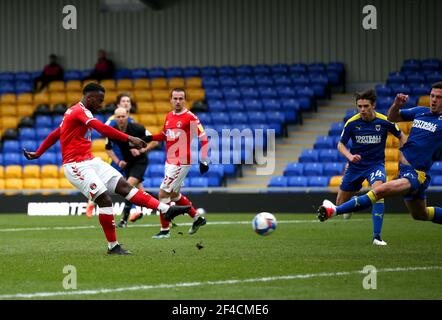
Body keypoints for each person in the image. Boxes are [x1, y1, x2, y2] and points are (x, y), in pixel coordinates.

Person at [23, 83, 190, 255]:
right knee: (105, 200)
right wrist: (129, 138)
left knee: (125, 187)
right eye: (99, 100)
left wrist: (38, 153)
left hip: (90, 161)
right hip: (75, 165)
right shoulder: (79, 111)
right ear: (89, 97)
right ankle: (113, 246)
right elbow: (101, 128)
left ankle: (167, 210)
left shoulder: (74, 111)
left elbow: (56, 133)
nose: (101, 104)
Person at [318, 82, 442, 233]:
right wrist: (396, 104)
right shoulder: (421, 111)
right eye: (432, 96)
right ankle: (341, 207)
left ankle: (334, 210)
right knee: (420, 214)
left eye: (439, 97)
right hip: (403, 170)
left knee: (379, 191)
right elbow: (392, 117)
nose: (434, 100)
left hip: (417, 174)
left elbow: (394, 129)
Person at [334, 89, 407, 245]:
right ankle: (353, 203)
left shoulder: (384, 120)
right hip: (355, 166)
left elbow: (401, 135)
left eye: (365, 106)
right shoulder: (352, 122)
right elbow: (340, 144)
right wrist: (350, 157)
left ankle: (377, 236)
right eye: (359, 106)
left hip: (375, 165)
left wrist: (402, 154)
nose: (362, 110)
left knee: (378, 191)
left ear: (373, 105)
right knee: (340, 205)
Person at [145, 88, 209, 239]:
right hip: (170, 161)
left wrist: (204, 159)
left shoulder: (190, 117)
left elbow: (204, 137)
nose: (178, 101)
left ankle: (164, 230)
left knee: (162, 194)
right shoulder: (169, 116)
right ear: (170, 100)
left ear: (185, 100)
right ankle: (197, 218)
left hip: (181, 161)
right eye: (175, 98)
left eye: (181, 98)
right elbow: (164, 135)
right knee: (173, 195)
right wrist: (150, 138)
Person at [85, 93, 147, 218]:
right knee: (105, 183)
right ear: (118, 105)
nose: (126, 103)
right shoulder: (112, 122)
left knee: (135, 184)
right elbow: (107, 139)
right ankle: (91, 203)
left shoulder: (132, 121)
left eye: (128, 102)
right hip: (117, 159)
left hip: (129, 160)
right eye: (123, 101)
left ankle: (137, 211)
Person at [105, 107, 159, 227]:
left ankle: (124, 220)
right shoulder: (112, 131)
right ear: (114, 118)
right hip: (128, 163)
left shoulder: (137, 128)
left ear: (127, 116)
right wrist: (118, 162)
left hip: (140, 161)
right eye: (118, 117)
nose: (121, 119)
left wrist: (141, 150)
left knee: (128, 186)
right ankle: (165, 206)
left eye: (123, 116)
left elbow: (155, 141)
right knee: (140, 192)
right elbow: (108, 149)